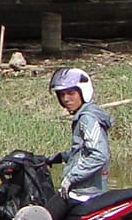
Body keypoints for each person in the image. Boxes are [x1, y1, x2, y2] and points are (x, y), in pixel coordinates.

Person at [48, 68, 113, 210]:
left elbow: (99, 155)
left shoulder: (87, 118)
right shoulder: (84, 116)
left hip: (84, 193)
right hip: (82, 190)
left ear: (83, 92)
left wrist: (71, 177)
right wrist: (56, 157)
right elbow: (82, 152)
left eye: (71, 93)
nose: (66, 99)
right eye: (62, 94)